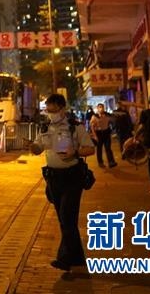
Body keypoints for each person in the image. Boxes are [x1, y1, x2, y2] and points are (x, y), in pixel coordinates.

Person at [29, 94, 95, 272]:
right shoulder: (45, 127)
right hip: (53, 178)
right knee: (64, 219)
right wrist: (32, 147)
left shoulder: (75, 127)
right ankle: (77, 258)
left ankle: (64, 258)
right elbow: (38, 148)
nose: (50, 112)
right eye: (48, 109)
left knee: (66, 216)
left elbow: (90, 149)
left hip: (72, 177)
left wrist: (75, 153)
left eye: (53, 109)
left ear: (62, 108)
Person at [88, 103, 118, 168]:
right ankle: (100, 162)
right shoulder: (95, 116)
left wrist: (112, 127)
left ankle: (111, 162)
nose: (101, 108)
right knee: (99, 148)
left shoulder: (107, 115)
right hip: (99, 133)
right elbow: (92, 127)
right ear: (97, 108)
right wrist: (95, 136)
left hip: (106, 133)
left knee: (108, 148)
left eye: (102, 107)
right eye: (100, 107)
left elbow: (113, 120)